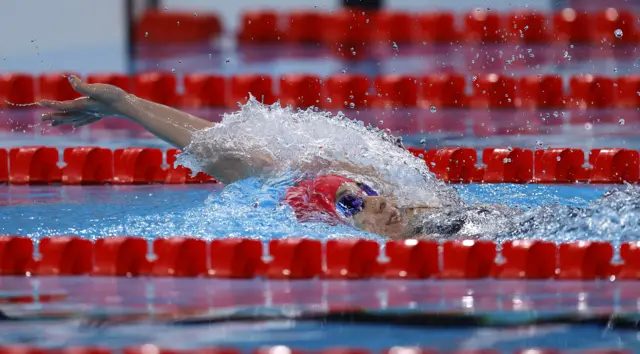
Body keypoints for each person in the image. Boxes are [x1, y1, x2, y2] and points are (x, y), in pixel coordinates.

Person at [37, 76, 630, 240]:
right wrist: (124, 106)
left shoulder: (412, 206)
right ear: (338, 221)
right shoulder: (335, 223)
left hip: (503, 220)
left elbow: (220, 144)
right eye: (356, 205)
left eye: (366, 194)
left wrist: (127, 102)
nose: (379, 204)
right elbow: (219, 156)